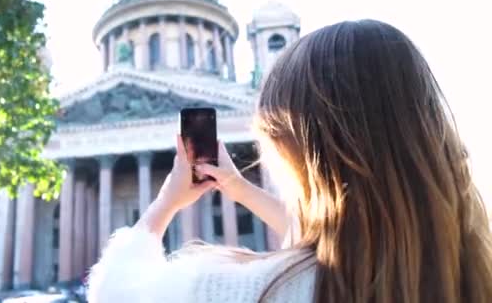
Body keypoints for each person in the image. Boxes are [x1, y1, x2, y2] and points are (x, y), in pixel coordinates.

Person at [87, 20, 492, 302]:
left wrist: (164, 204)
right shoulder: (466, 277)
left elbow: (114, 291)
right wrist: (240, 187)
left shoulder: (232, 291)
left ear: (290, 150)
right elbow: (338, 241)